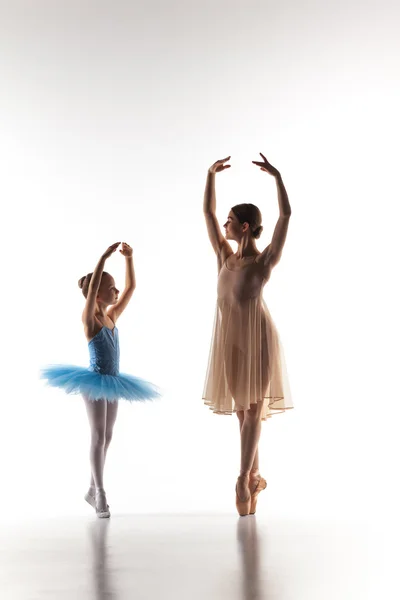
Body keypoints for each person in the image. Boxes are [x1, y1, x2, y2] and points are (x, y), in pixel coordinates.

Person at [202, 153, 293, 516]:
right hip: (231, 343)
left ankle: (241, 478)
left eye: (230, 221)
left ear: (243, 227)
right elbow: (208, 215)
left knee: (254, 412)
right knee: (242, 414)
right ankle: (254, 477)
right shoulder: (224, 257)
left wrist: (278, 178)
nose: (223, 225)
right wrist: (210, 177)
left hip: (258, 339)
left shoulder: (264, 261)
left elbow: (285, 217)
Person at [41, 242, 160, 518]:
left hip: (115, 381)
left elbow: (131, 289)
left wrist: (129, 259)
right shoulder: (90, 319)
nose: (116, 292)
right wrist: (103, 259)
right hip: (94, 381)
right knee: (97, 436)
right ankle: (101, 493)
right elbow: (93, 289)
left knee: (107, 436)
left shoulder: (111, 316)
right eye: (111, 288)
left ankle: (92, 488)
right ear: (96, 294)